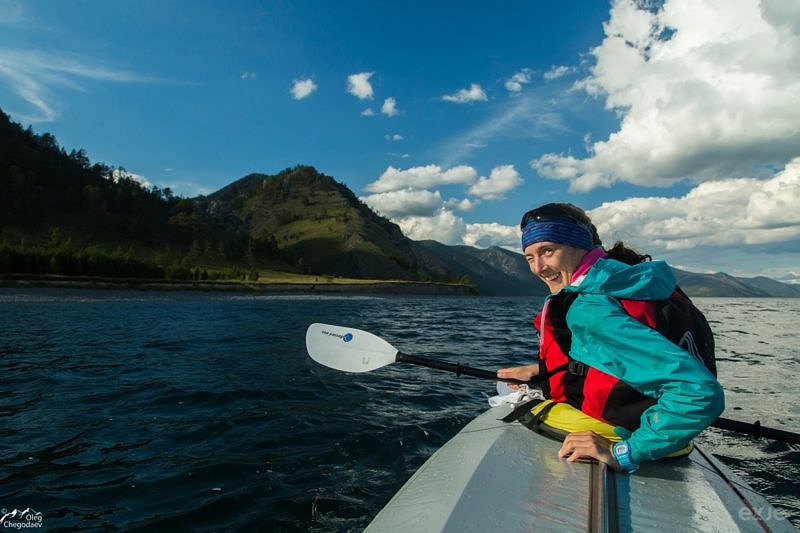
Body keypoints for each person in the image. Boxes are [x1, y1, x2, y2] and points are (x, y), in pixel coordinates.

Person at [497, 202, 724, 473]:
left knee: (527, 408)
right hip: (672, 436)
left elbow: (699, 392)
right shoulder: (633, 282)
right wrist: (542, 370)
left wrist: (625, 453)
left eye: (548, 251)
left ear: (579, 245)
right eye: (530, 257)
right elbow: (627, 356)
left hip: (636, 436)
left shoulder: (590, 308)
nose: (538, 268)